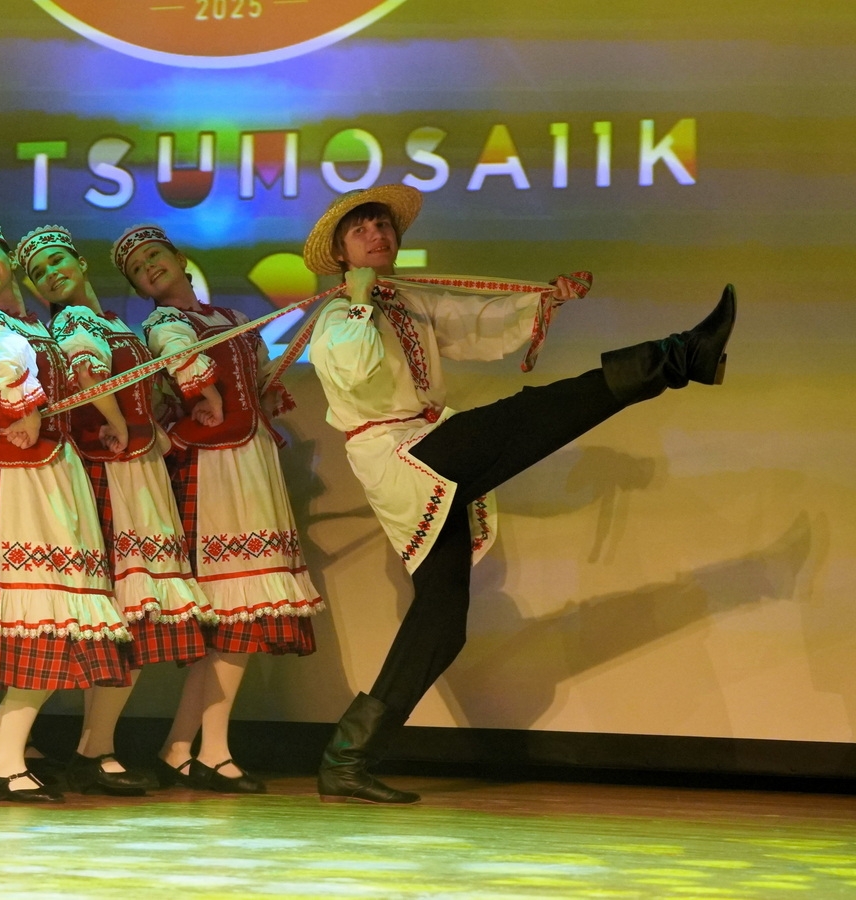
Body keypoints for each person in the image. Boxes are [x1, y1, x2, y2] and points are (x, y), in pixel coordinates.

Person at [304, 184, 734, 804]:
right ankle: (676, 357)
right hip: (396, 455)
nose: (378, 234)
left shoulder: (410, 300)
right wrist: (360, 299)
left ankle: (346, 759)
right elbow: (356, 367)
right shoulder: (334, 319)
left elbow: (473, 322)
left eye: (383, 225)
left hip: (427, 441)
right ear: (341, 254)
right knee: (525, 418)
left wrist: (541, 301)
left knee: (442, 622)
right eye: (361, 229)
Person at [117, 223, 324, 794]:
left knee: (243, 614)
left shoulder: (233, 318)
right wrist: (204, 393)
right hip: (213, 469)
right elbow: (178, 357)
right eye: (137, 269)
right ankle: (208, 750)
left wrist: (266, 391)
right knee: (236, 611)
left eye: (154, 255)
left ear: (180, 258)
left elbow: (257, 375)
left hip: (249, 461)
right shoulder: (163, 323)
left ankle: (183, 748)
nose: (149, 267)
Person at [0, 214, 131, 803]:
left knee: (64, 614)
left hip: (56, 470)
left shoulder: (35, 324)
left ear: (8, 258)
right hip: (28, 477)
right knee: (46, 615)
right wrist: (21, 409)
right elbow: (3, 364)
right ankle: (5, 760)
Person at [20, 224, 213, 795]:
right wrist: (118, 422)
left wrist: (147, 423)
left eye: (58, 261)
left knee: (135, 619)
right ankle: (66, 747)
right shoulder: (73, 323)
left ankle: (94, 747)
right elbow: (87, 375)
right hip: (109, 471)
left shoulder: (111, 323)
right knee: (120, 615)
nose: (52, 274)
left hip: (136, 470)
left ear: (79, 262)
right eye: (39, 273)